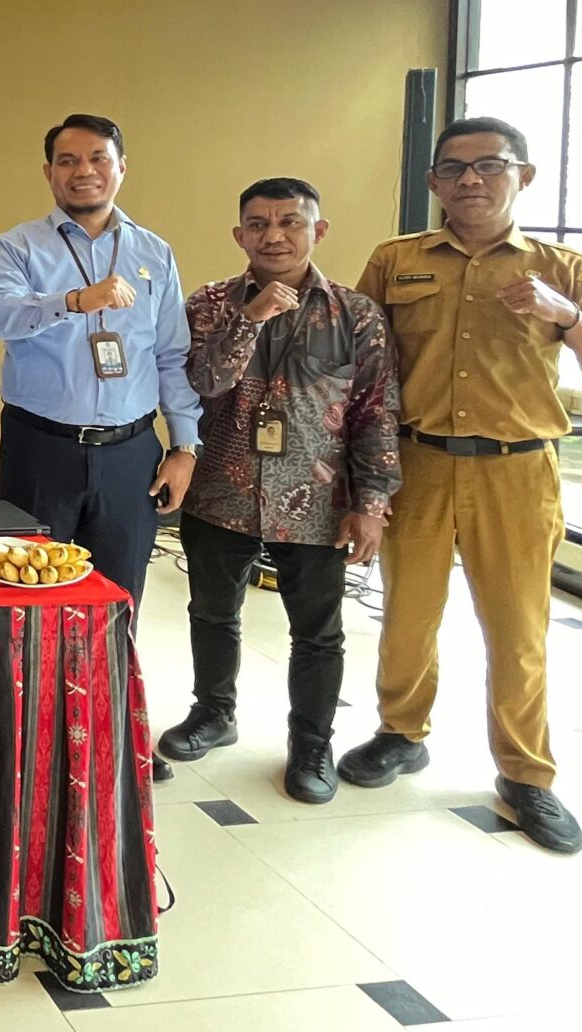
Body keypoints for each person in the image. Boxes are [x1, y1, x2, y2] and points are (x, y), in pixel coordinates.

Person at [339, 117, 582, 853]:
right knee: (406, 617)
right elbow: (359, 369)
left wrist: (567, 317)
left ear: (523, 176)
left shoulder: (565, 269)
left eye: (490, 165)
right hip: (417, 464)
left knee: (517, 629)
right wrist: (359, 484)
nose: (471, 179)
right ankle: (400, 733)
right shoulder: (395, 260)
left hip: (517, 471)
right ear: (434, 182)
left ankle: (526, 774)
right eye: (454, 168)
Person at [157, 178, 400, 803]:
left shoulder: (355, 314)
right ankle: (214, 713)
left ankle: (311, 745)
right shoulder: (209, 304)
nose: (274, 235)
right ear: (239, 235)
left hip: (317, 504)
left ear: (318, 231)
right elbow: (199, 384)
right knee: (212, 612)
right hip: (221, 493)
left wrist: (371, 504)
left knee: (317, 633)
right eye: (259, 224)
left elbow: (376, 413)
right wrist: (249, 320)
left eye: (290, 221)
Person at [0, 114, 201, 600]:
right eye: (68, 161)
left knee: (119, 597)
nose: (83, 171)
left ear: (121, 167)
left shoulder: (154, 253)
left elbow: (171, 355)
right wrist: (74, 301)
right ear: (49, 172)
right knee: (29, 596)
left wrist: (185, 447)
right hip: (41, 449)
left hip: (130, 454)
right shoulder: (17, 247)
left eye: (98, 158)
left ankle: (114, 657)